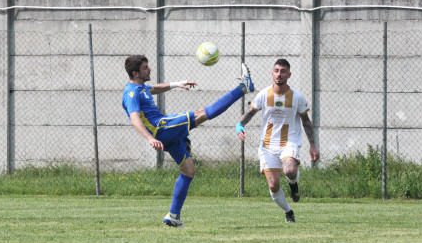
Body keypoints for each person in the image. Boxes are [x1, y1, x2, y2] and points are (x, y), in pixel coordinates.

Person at [122, 55, 254, 228]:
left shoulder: (141, 88)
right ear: (135, 73)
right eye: (145, 67)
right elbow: (134, 119)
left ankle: (174, 216)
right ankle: (243, 87)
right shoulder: (131, 94)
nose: (149, 69)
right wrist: (150, 138)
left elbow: (154, 88)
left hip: (167, 135)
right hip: (162, 128)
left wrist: (178, 83)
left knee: (188, 170)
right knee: (202, 113)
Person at [236, 59, 319, 222]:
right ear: (272, 73)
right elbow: (250, 113)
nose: (279, 74)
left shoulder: (297, 96)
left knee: (289, 170)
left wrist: (312, 145)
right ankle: (288, 211)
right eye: (276, 70)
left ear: (289, 74)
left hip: (290, 142)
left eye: (283, 71)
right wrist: (239, 125)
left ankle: (293, 184)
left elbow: (306, 121)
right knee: (273, 186)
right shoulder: (263, 94)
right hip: (267, 146)